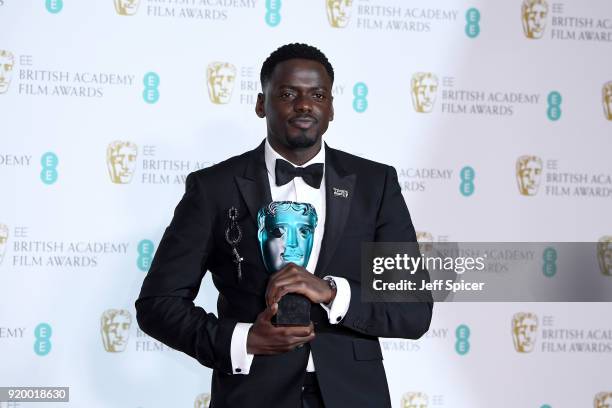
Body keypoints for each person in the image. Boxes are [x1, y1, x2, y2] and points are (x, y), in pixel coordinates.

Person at [136, 43, 433, 408]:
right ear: (262, 103)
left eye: (318, 94)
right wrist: (242, 340)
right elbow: (158, 303)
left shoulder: (376, 184)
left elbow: (413, 309)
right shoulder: (214, 187)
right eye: (288, 93)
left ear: (331, 108)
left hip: (355, 395)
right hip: (252, 396)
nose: (304, 104)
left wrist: (329, 291)